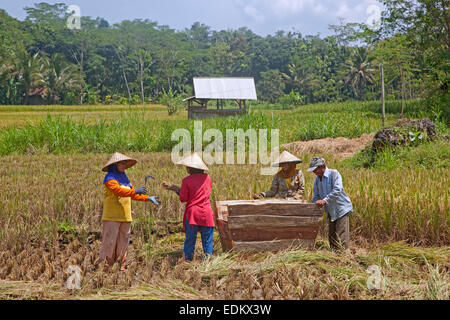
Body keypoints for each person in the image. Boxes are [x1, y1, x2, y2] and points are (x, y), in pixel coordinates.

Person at [99, 152, 160, 271]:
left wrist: (147, 198)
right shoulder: (110, 179)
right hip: (112, 217)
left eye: (124, 163)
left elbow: (132, 195)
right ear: (115, 165)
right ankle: (105, 267)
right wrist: (135, 191)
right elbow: (118, 191)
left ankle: (120, 265)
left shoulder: (125, 179)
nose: (123, 166)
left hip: (125, 217)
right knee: (110, 242)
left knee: (124, 242)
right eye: (121, 163)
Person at [162, 152, 215, 262]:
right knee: (207, 240)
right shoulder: (207, 178)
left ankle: (188, 261)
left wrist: (175, 188)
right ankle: (209, 262)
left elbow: (183, 198)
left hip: (193, 214)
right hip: (206, 212)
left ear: (189, 168)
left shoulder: (186, 181)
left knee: (190, 239)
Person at [307, 157, 353, 251]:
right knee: (332, 236)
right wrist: (312, 205)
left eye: (315, 170)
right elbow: (317, 196)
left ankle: (344, 256)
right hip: (331, 210)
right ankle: (334, 255)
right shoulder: (317, 180)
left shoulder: (333, 173)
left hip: (341, 208)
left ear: (322, 167)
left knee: (341, 235)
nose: (314, 172)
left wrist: (324, 200)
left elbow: (337, 190)